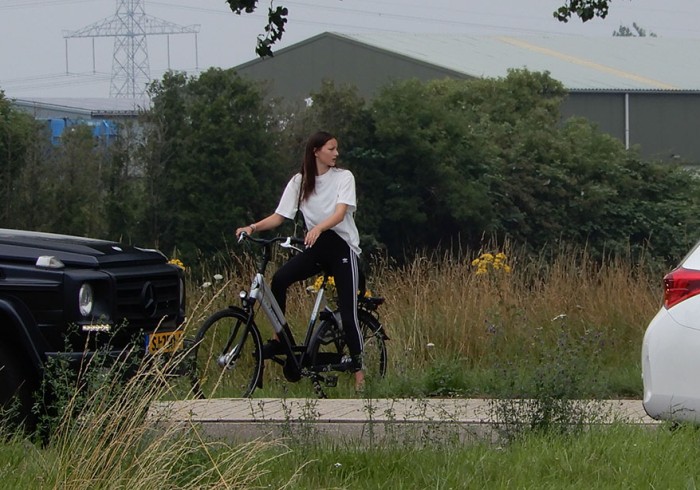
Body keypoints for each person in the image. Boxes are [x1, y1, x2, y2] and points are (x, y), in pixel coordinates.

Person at [235, 131, 365, 391]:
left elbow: (340, 214)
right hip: (316, 247)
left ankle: (360, 373)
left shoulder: (343, 177)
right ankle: (280, 337)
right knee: (280, 279)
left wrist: (318, 228)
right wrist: (252, 227)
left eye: (336, 149)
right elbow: (279, 216)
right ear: (316, 151)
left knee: (349, 312)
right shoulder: (300, 182)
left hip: (341, 248)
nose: (336, 153)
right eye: (331, 149)